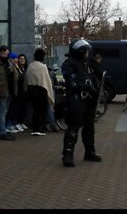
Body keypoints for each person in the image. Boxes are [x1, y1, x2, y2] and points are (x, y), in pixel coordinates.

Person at [61, 39, 102, 167]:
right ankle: (67, 155)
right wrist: (84, 87)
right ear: (79, 51)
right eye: (85, 51)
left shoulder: (87, 63)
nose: (87, 53)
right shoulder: (69, 64)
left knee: (89, 127)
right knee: (73, 127)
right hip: (76, 99)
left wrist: (96, 86)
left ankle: (89, 152)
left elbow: (94, 76)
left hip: (89, 100)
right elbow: (71, 81)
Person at [24, 48, 55, 136]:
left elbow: (26, 79)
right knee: (41, 110)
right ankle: (39, 128)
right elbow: (47, 81)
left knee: (34, 110)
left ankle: (35, 128)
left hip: (31, 90)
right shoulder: (43, 67)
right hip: (41, 91)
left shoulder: (30, 66)